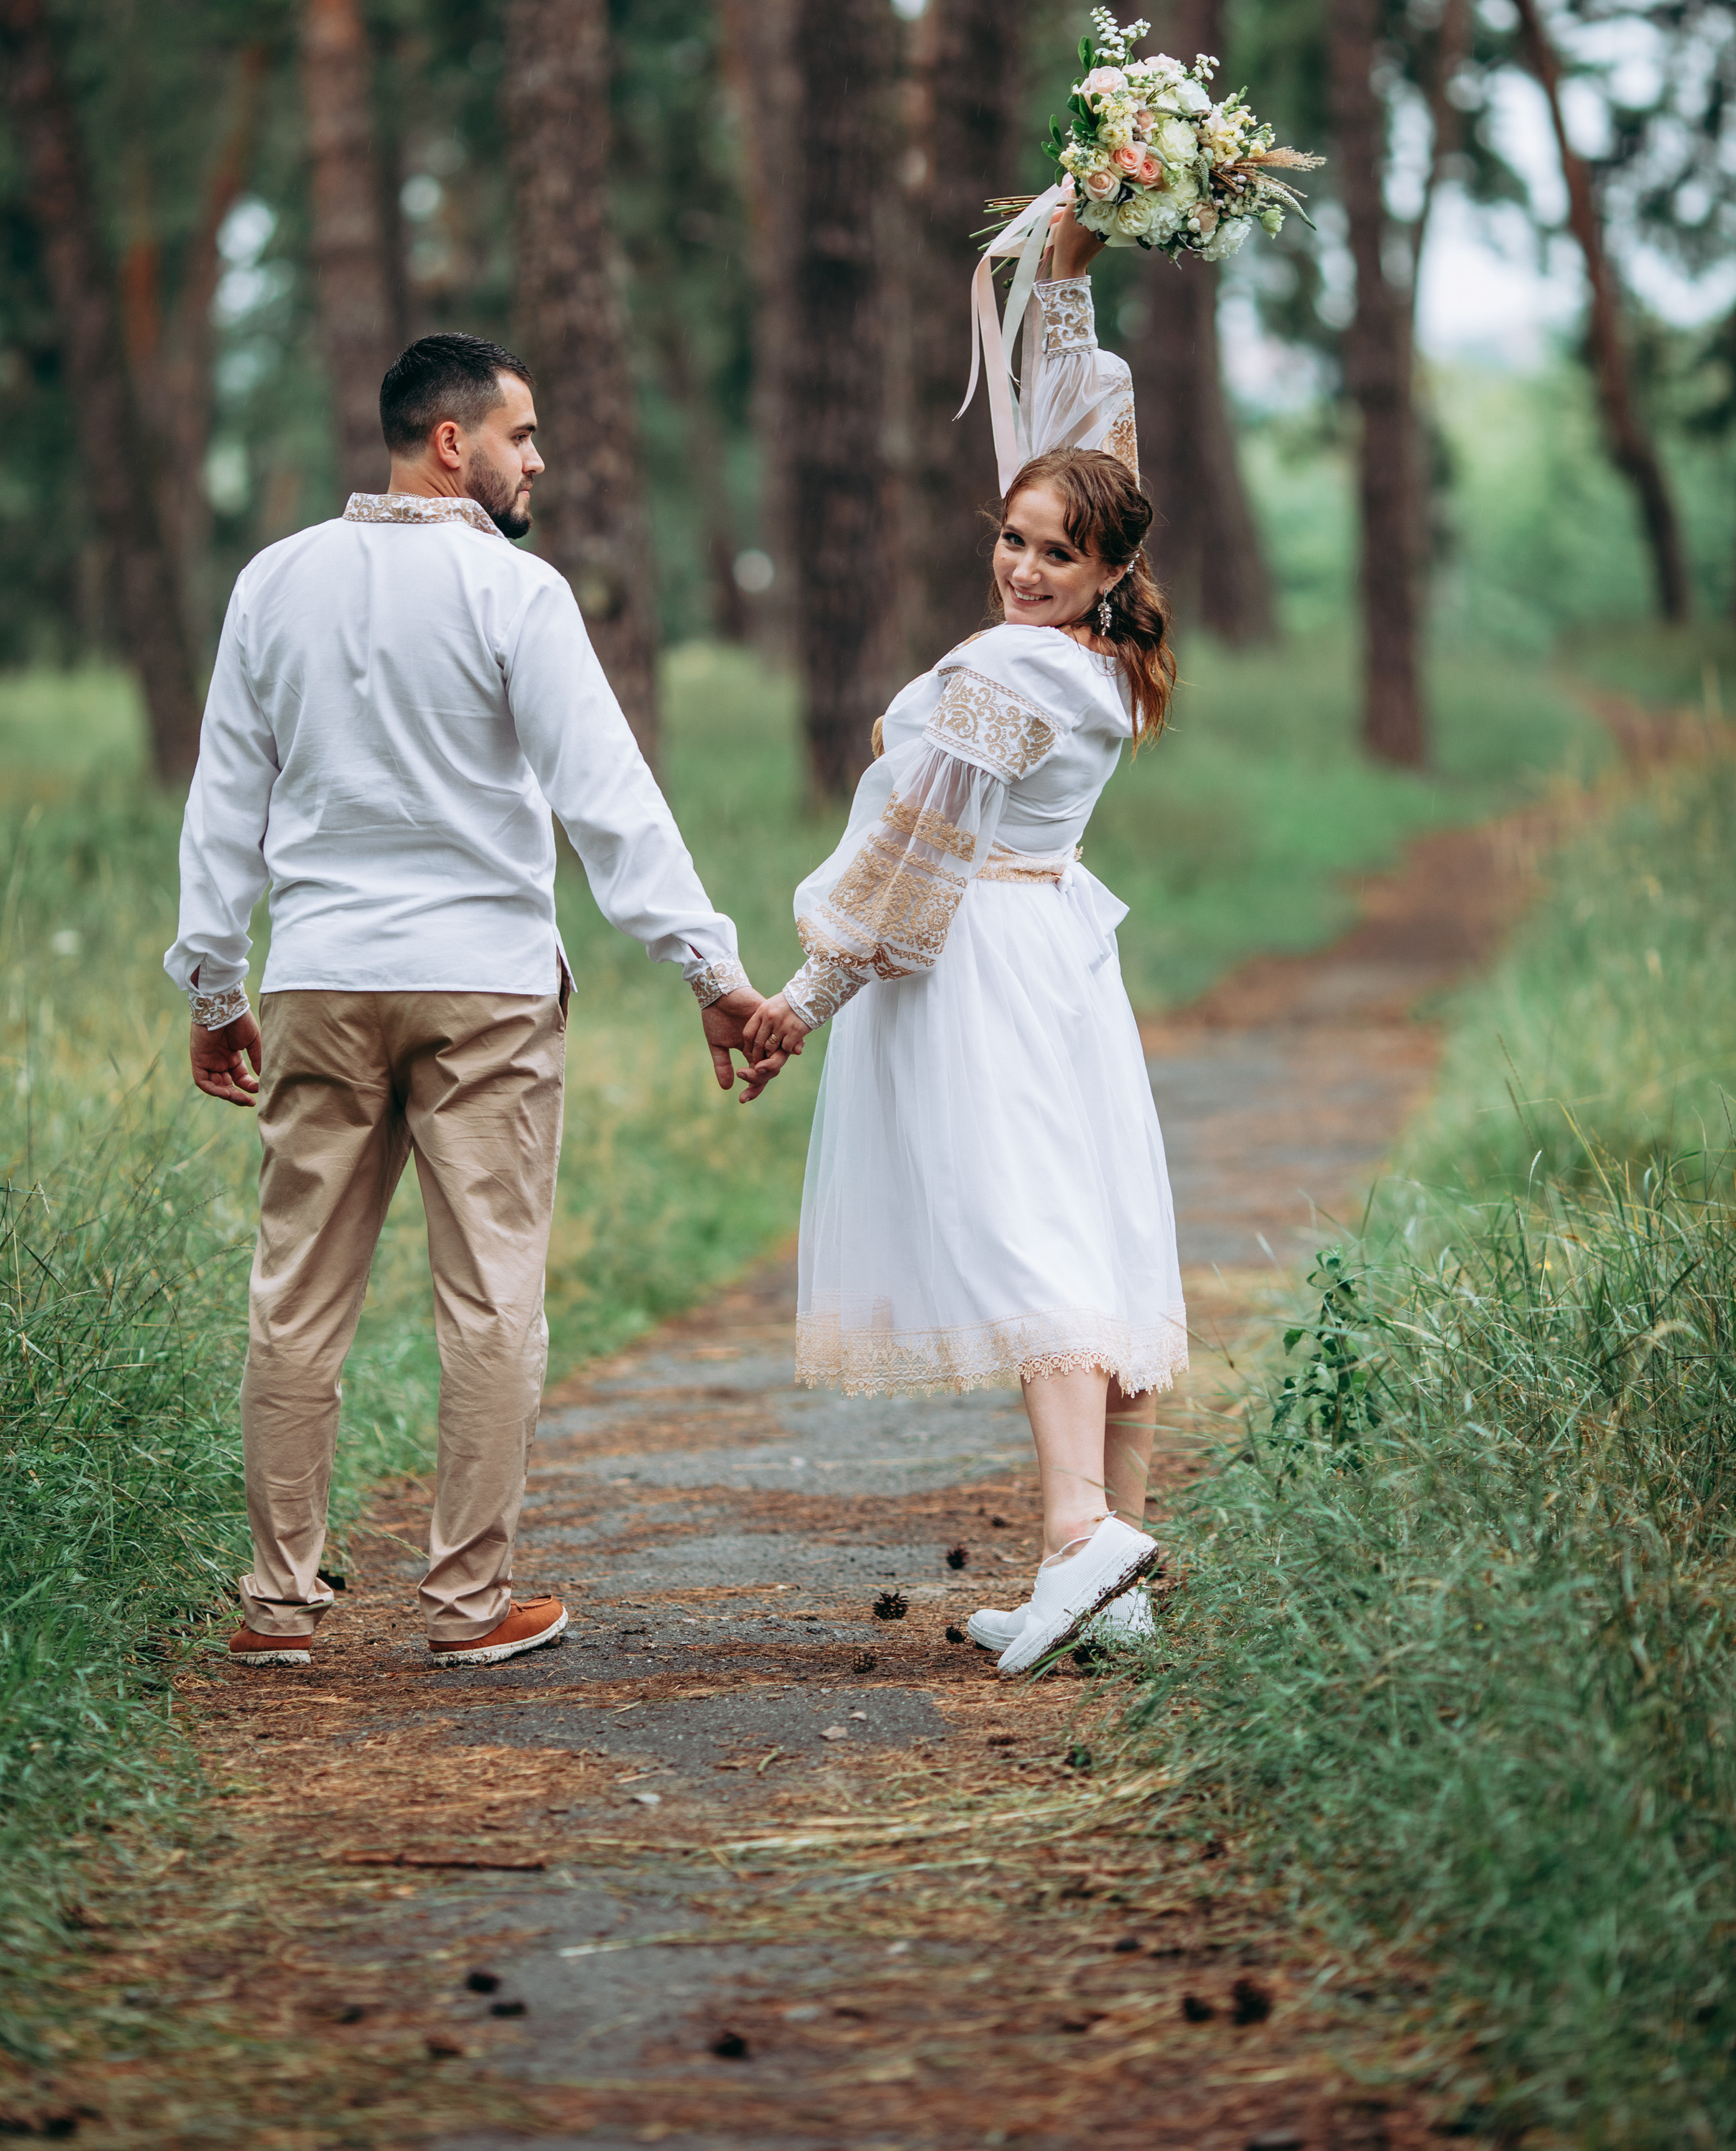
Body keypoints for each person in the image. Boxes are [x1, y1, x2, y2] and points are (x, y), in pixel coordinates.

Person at [167, 332, 783, 1672]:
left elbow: (226, 805)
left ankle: (277, 1606)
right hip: (485, 992)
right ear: (453, 443)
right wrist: (713, 974)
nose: (538, 458)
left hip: (320, 977)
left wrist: (215, 985)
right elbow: (606, 801)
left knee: (295, 1294)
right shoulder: (517, 592)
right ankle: (461, 1605)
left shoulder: (275, 582)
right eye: (523, 434)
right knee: (492, 1295)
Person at [745, 207, 1187, 1678]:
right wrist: (1064, 267)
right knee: (1090, 1232)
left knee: (1028, 1239)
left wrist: (803, 995)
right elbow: (1078, 436)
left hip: (985, 960)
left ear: (1103, 564)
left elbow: (913, 839)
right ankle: (1105, 1574)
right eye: (1010, 539)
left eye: (1053, 552)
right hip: (1054, 948)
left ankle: (1078, 1535)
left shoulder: (1010, 672)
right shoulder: (1105, 666)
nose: (1018, 565)